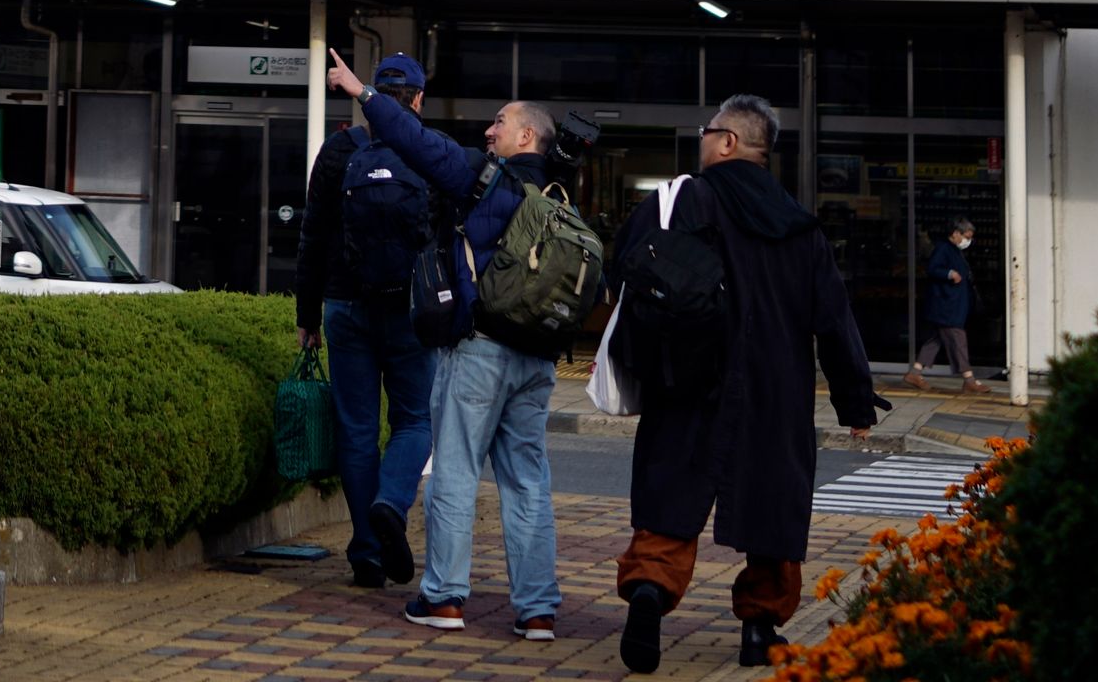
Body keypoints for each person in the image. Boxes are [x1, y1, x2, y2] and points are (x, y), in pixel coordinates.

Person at [613, 96, 884, 672]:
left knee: (671, 490)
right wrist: (854, 400)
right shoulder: (798, 222)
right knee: (773, 507)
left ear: (729, 141)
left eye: (708, 131)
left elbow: (629, 267)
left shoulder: (686, 199)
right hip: (775, 390)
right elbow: (834, 318)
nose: (703, 140)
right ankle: (760, 630)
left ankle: (649, 592)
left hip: (687, 379)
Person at [327, 48, 578, 646]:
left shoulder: (480, 176)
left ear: (523, 136)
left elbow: (414, 142)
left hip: (481, 352)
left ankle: (442, 598)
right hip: (537, 360)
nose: (488, 130)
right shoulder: (560, 198)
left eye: (498, 122)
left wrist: (363, 93)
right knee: (527, 480)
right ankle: (538, 610)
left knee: (456, 473)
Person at [292, 52, 446, 589]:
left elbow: (311, 238)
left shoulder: (339, 151)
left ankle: (367, 552)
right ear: (419, 100)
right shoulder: (427, 152)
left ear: (370, 96)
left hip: (345, 307)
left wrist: (305, 315)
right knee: (413, 421)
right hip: (410, 311)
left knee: (357, 430)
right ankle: (392, 504)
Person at [912, 221, 976, 389]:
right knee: (958, 339)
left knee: (936, 340)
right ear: (956, 233)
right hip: (947, 306)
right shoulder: (944, 249)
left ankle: (915, 373)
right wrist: (950, 274)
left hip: (950, 304)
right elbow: (933, 268)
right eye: (966, 237)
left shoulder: (953, 250)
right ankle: (969, 378)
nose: (967, 241)